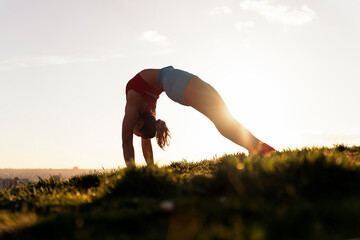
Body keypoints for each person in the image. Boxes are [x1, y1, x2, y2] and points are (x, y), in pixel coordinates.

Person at [122, 66, 275, 167]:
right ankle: (260, 148)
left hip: (177, 83)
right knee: (224, 119)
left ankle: (259, 149)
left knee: (223, 121)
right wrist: (151, 169)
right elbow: (145, 142)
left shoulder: (132, 108)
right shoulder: (145, 112)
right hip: (180, 79)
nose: (133, 126)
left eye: (136, 128)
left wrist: (132, 174)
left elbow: (127, 143)